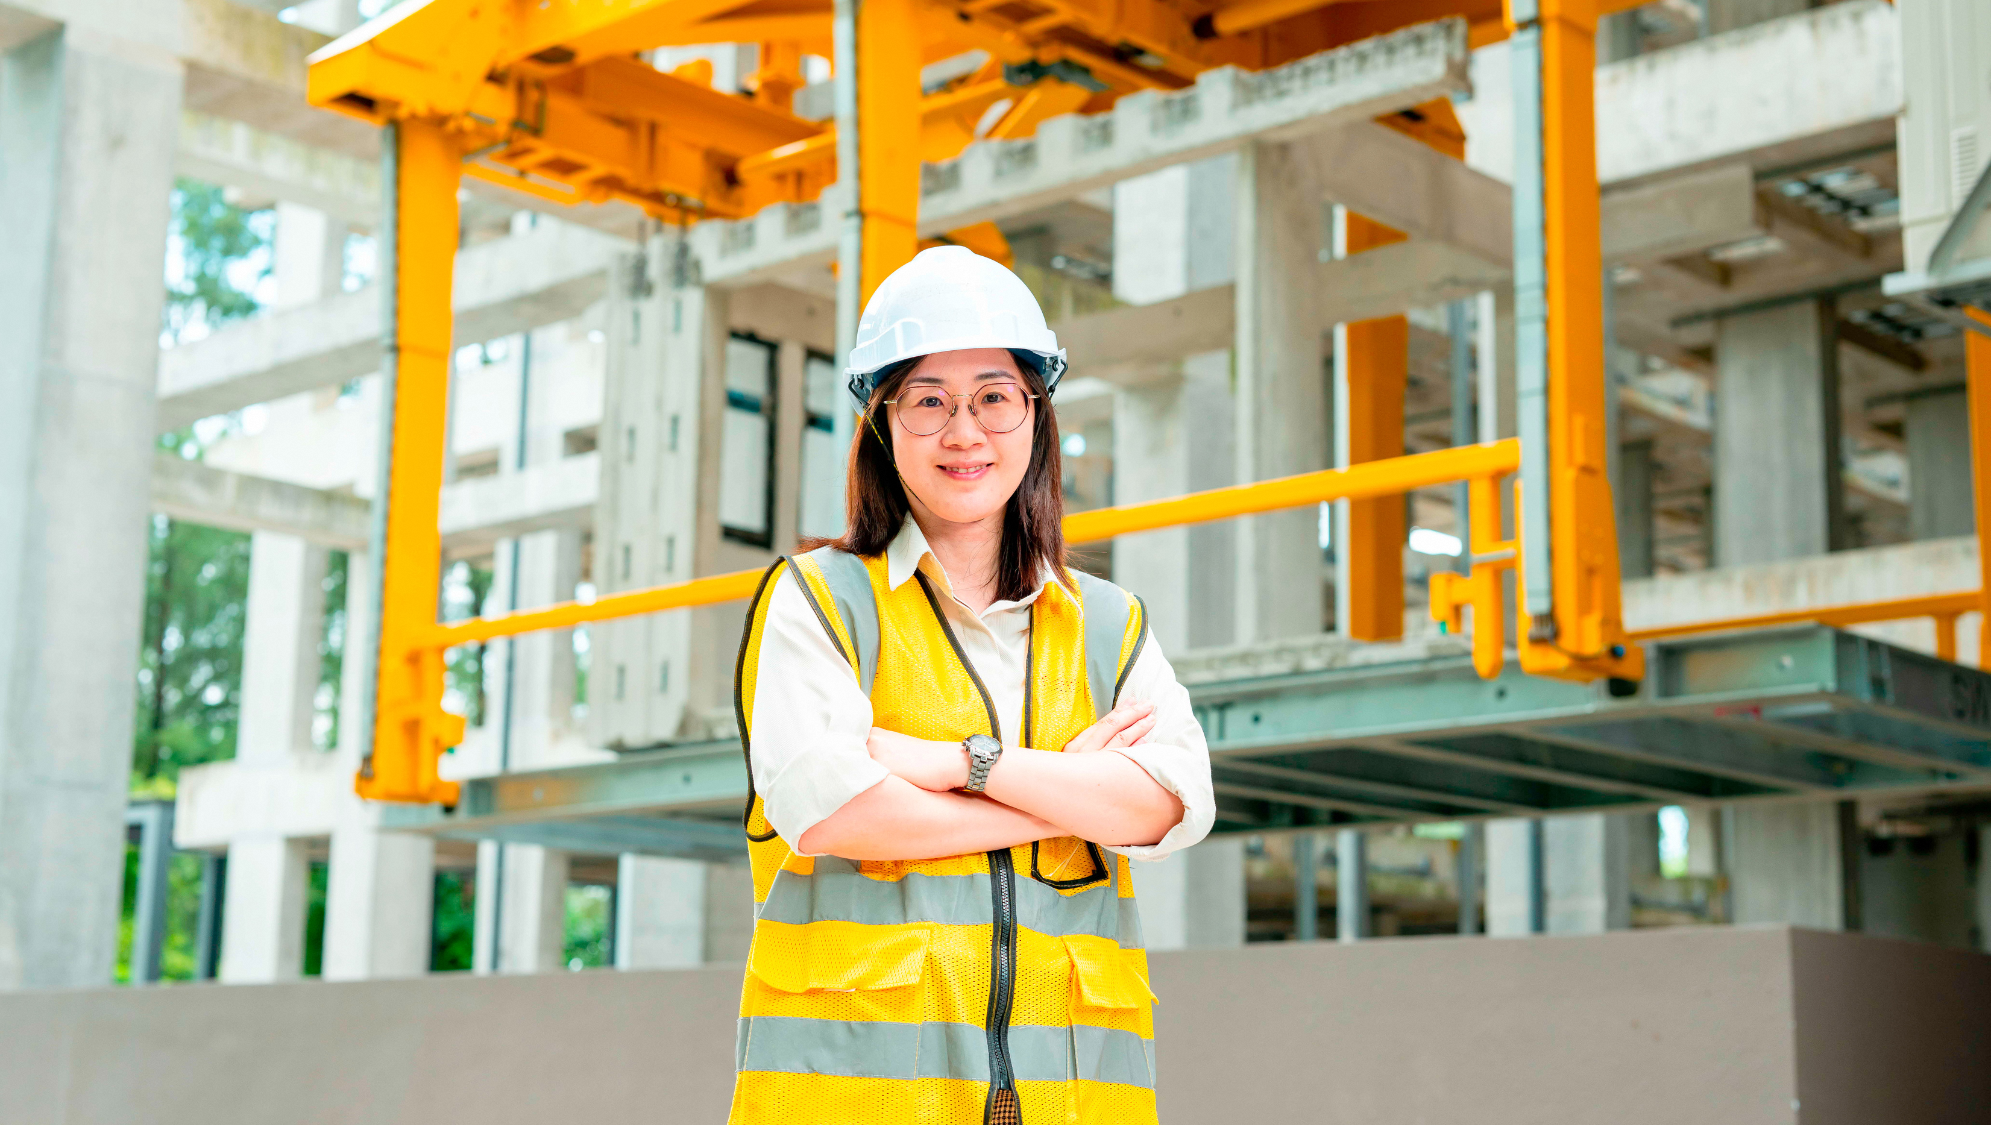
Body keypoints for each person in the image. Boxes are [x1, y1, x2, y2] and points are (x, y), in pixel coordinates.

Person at [727, 245, 1214, 1125]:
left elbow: (1173, 806)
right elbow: (835, 812)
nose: (964, 432)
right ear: (881, 423)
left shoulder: (1108, 626)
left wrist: (956, 762)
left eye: (994, 396)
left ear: (1036, 415)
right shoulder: (819, 602)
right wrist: (1068, 796)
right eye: (927, 402)